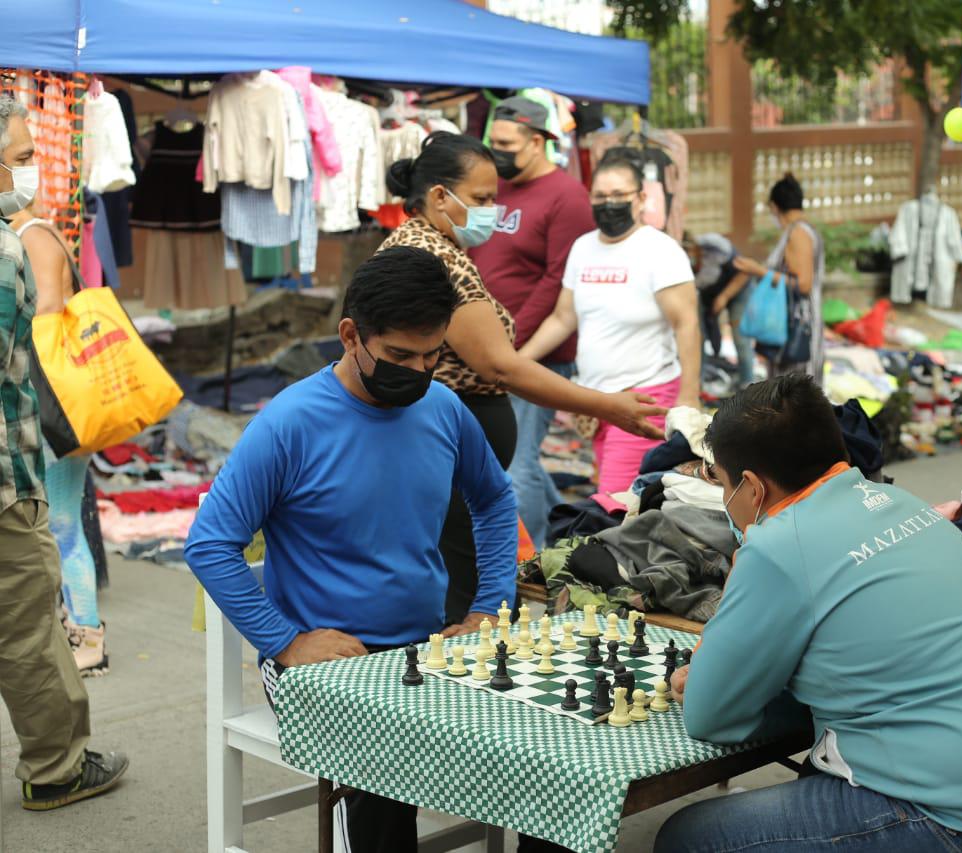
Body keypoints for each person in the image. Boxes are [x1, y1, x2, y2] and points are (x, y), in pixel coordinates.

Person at [657, 374, 962, 851]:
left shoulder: (777, 547)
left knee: (689, 837)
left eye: (720, 483)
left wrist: (709, 680)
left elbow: (709, 717)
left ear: (752, 487)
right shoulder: (901, 502)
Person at [186, 246, 518, 853]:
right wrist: (285, 640)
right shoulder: (289, 424)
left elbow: (495, 500)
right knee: (383, 780)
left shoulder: (441, 407)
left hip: (423, 650)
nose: (417, 370)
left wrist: (490, 605)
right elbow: (209, 544)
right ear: (350, 335)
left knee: (536, 741)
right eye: (398, 355)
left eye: (431, 354)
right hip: (322, 663)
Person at [379, 132, 665, 623]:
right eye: (483, 200)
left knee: (462, 580)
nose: (493, 211)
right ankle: (459, 692)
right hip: (444, 447)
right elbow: (498, 366)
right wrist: (606, 405)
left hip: (449, 451)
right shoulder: (434, 259)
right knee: (464, 600)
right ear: (439, 197)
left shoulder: (430, 244)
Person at [0, 93, 128, 811]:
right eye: (20, 159)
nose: (31, 170)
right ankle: (57, 769)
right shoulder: (10, 243)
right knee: (26, 629)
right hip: (6, 476)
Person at [518, 156, 701, 504]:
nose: (608, 203)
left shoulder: (660, 251)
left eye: (618, 194)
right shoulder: (583, 247)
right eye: (599, 195)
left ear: (641, 198)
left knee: (613, 502)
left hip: (644, 395)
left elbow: (686, 323)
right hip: (596, 402)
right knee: (626, 499)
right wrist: (515, 363)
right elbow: (563, 318)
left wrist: (689, 396)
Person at [469, 97, 595, 551]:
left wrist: (512, 344)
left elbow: (558, 281)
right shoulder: (497, 187)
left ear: (538, 141)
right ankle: (567, 530)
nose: (497, 152)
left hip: (533, 352)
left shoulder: (567, 197)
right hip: (489, 349)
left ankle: (526, 565)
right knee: (515, 458)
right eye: (494, 143)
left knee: (513, 464)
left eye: (507, 144)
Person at [8, 187, 110, 674]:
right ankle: (76, 629)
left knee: (62, 528)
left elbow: (45, 310)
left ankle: (88, 638)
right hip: (63, 406)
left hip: (57, 407)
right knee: (58, 524)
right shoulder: (33, 234)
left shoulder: (31, 236)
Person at [732, 173, 825, 379]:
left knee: (794, 396)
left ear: (775, 207)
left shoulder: (798, 233)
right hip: (799, 325)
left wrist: (758, 270)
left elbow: (803, 284)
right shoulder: (805, 230)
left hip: (797, 328)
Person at [687, 232, 756, 390]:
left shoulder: (715, 246)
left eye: (690, 252)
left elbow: (745, 271)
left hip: (739, 291)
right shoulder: (684, 267)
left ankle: (748, 384)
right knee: (699, 336)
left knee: (740, 338)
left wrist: (724, 296)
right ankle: (700, 384)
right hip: (708, 296)